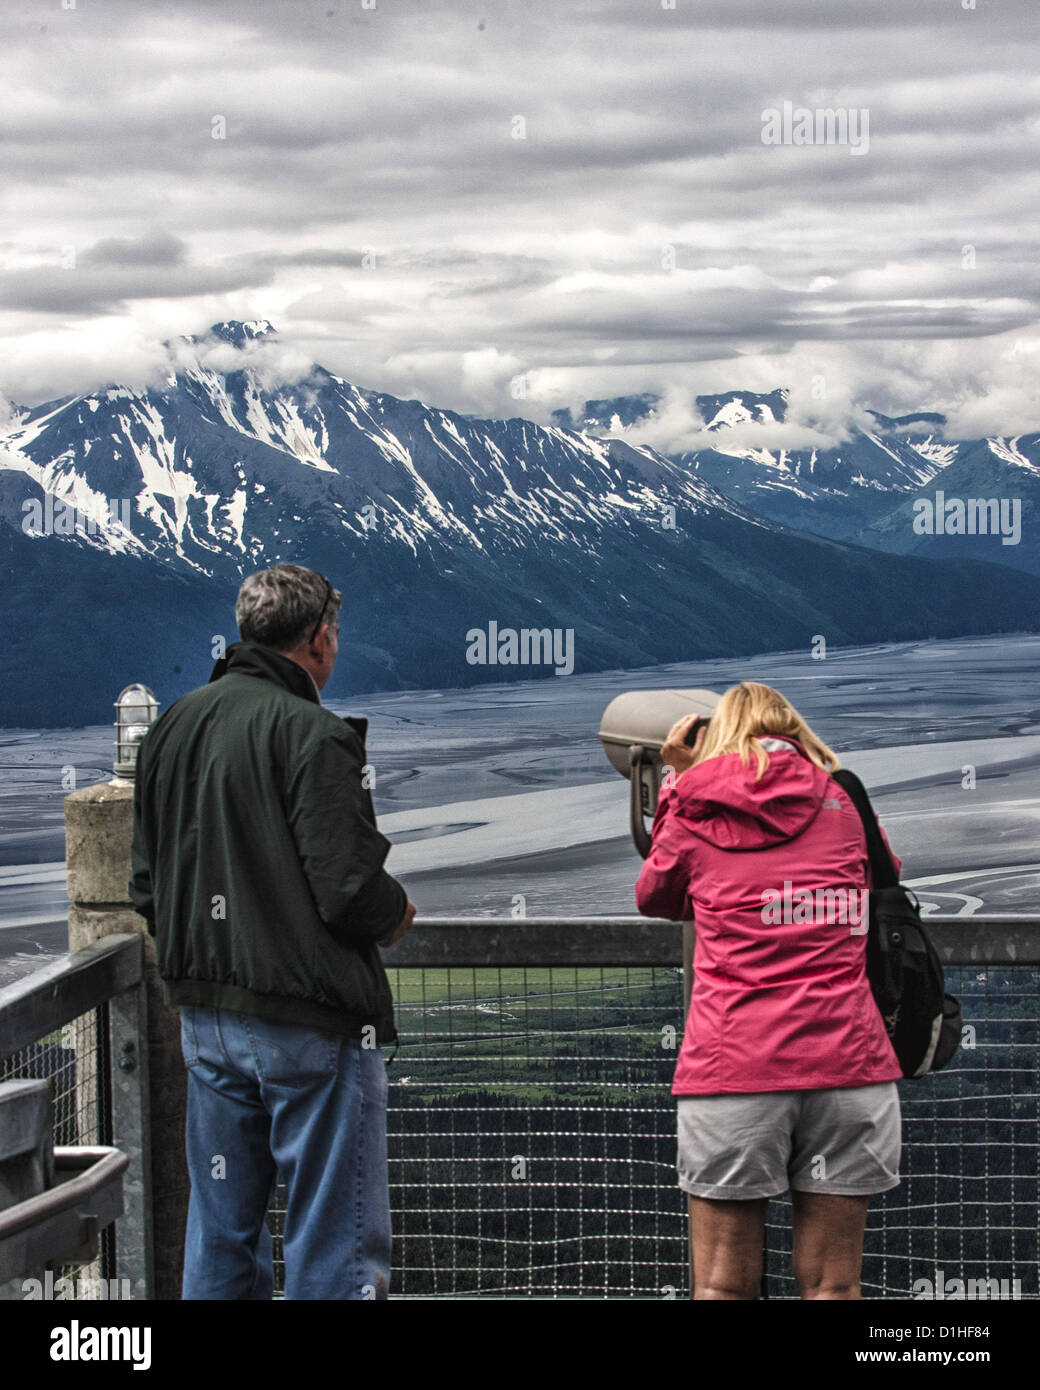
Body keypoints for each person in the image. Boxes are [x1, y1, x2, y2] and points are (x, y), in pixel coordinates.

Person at [129, 563, 415, 1300]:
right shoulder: (312, 734)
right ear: (320, 638)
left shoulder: (171, 728)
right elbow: (348, 887)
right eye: (336, 635)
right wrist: (396, 914)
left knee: (221, 1229)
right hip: (308, 1022)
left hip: (206, 1019)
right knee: (334, 1242)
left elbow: (146, 885)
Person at [635, 681, 902, 1300]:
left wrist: (676, 786)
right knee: (834, 1286)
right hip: (847, 1066)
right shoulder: (844, 799)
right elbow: (884, 875)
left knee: (725, 1285)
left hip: (736, 1068)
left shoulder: (694, 810)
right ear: (795, 731)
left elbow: (656, 896)